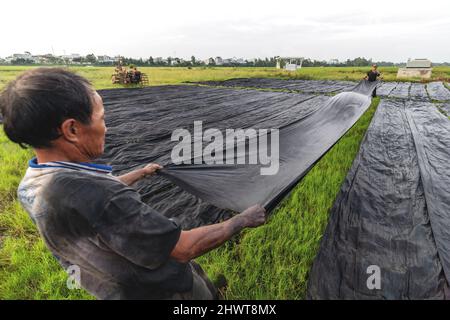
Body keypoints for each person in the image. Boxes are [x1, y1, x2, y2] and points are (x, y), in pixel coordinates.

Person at [0, 68, 266, 300]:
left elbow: (89, 201)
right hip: (159, 290)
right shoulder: (102, 197)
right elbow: (184, 249)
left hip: (112, 287)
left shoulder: (35, 180)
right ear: (71, 130)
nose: (107, 128)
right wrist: (242, 220)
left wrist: (139, 172)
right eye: (102, 118)